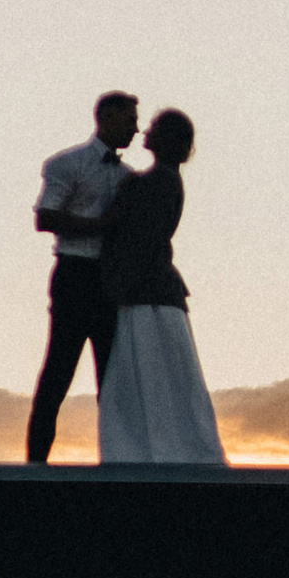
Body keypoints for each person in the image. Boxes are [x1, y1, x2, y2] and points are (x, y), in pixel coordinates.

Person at [97, 108, 225, 464]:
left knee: (145, 378)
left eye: (153, 127)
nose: (145, 131)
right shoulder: (157, 181)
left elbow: (142, 239)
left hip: (146, 295)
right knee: (159, 380)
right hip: (149, 291)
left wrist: (118, 286)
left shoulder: (156, 183)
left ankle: (149, 455)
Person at [25, 90, 138, 464]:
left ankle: (117, 460)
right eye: (129, 120)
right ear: (106, 118)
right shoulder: (67, 163)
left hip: (108, 281)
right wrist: (102, 225)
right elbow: (46, 217)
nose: (136, 129)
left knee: (112, 379)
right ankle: (36, 463)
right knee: (58, 371)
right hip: (74, 274)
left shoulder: (128, 178)